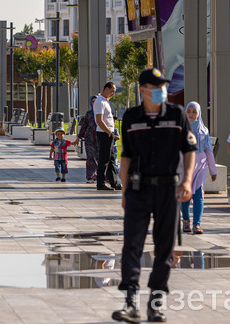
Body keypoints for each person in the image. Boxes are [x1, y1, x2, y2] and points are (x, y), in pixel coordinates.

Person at [113, 68, 197, 323]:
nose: (162, 90)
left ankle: (156, 303)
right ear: (143, 89)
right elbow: (125, 156)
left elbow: (189, 149)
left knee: (165, 248)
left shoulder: (176, 114)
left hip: (167, 190)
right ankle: (130, 302)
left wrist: (187, 180)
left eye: (163, 86)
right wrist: (124, 190)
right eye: (156, 86)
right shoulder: (131, 117)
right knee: (132, 245)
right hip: (138, 190)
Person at [181, 102, 217, 235]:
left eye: (194, 112)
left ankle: (197, 224)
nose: (191, 114)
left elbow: (209, 151)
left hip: (200, 165)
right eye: (188, 111)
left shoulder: (203, 130)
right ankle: (186, 222)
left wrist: (213, 171)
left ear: (199, 113)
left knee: (198, 195)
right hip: (184, 164)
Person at [94, 82, 121, 191]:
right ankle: (100, 183)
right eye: (112, 91)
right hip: (104, 133)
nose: (113, 93)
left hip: (109, 133)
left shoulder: (105, 101)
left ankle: (114, 183)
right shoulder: (99, 101)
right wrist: (108, 132)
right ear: (106, 89)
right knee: (104, 159)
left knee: (111, 159)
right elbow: (99, 120)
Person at [77, 95, 99, 184]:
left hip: (100, 138)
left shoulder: (102, 112)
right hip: (89, 139)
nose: (94, 103)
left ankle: (99, 175)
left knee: (99, 157)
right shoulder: (89, 114)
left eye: (96, 101)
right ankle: (90, 176)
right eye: (93, 101)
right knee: (90, 157)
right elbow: (84, 126)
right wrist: (79, 137)